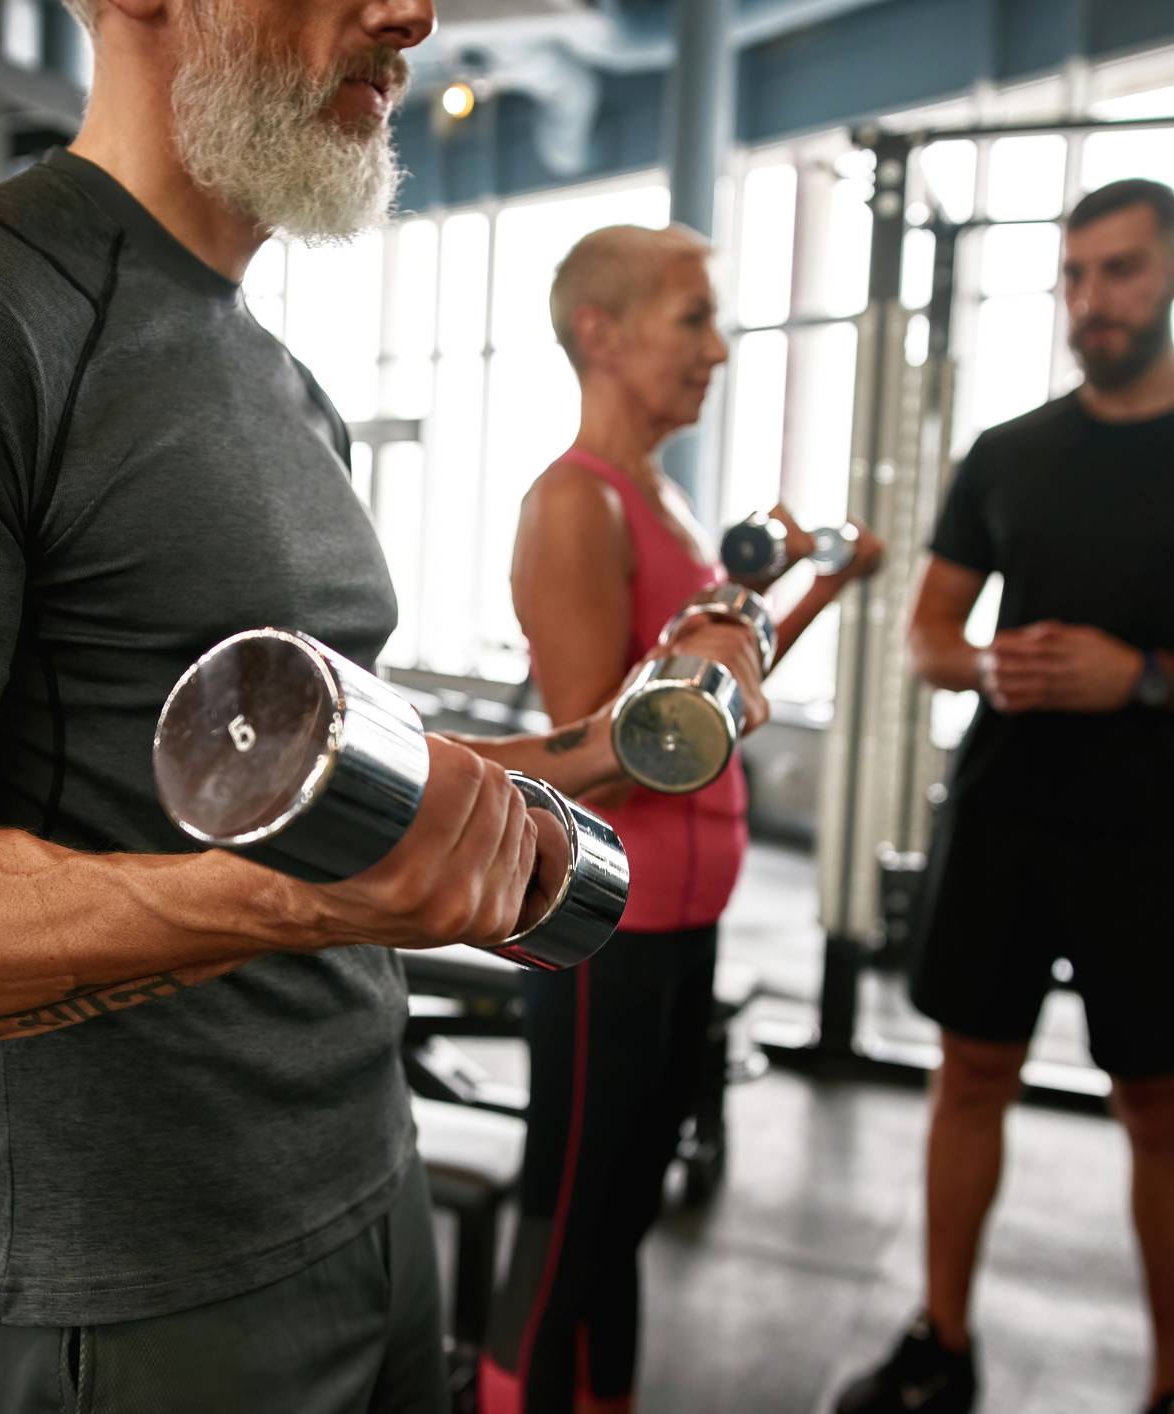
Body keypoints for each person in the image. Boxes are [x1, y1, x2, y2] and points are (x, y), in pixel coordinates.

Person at [0, 3, 768, 1410]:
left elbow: (336, 771)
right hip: (152, 1283)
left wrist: (621, 734)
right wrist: (293, 902)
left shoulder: (281, 382)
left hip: (370, 1173)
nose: (411, 13)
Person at [832, 179, 1174, 1414]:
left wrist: (1144, 676)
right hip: (1003, 816)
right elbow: (927, 637)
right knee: (968, 1074)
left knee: (1159, 1106)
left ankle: (1173, 1389)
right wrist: (987, 666)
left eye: (1118, 270)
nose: (1090, 299)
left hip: (1158, 835)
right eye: (1073, 275)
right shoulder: (1010, 454)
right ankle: (941, 1340)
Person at [483, 224, 883, 1414]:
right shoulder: (576, 501)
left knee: (627, 1209)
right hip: (605, 918)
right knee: (568, 1217)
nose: (718, 348)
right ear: (600, 334)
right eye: (692, 319)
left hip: (683, 919)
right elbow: (599, 758)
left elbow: (712, 703)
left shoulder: (666, 501)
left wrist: (808, 591)